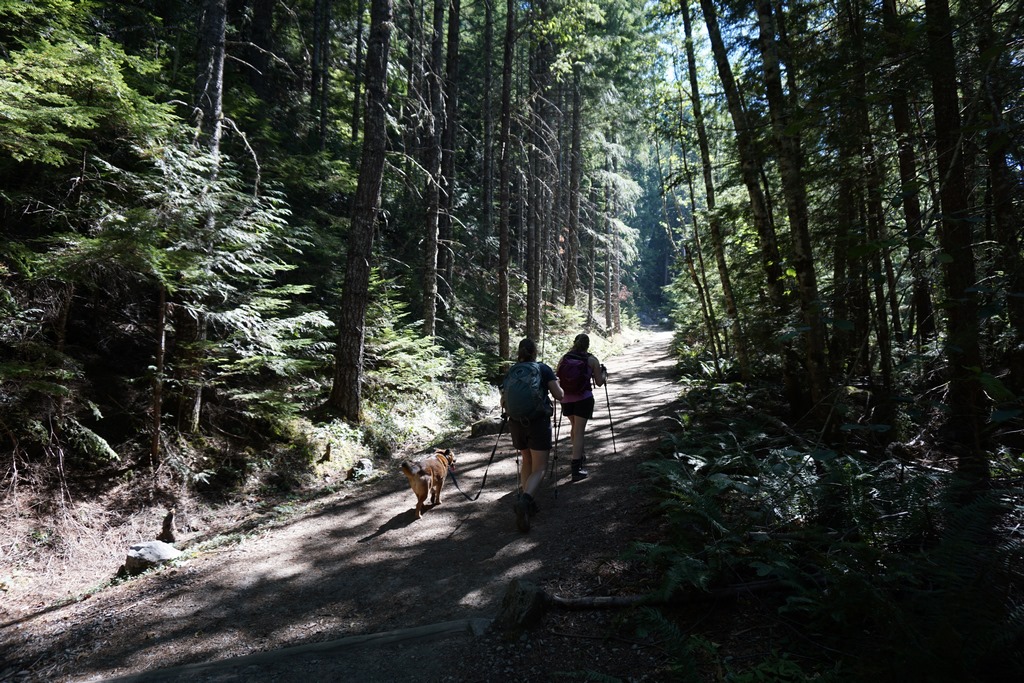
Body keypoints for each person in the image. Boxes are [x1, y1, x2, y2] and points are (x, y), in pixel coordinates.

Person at [501, 338, 563, 532]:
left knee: (526, 460)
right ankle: (526, 501)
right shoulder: (542, 369)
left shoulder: (512, 371)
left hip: (516, 423)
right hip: (537, 422)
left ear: (519, 352)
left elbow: (503, 402)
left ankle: (527, 499)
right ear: (535, 352)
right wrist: (556, 384)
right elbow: (559, 395)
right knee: (540, 467)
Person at [556, 333, 607, 481]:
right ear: (587, 345)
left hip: (566, 398)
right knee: (579, 431)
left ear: (574, 343)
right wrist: (604, 374)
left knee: (574, 427)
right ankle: (576, 468)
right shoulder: (592, 360)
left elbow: (557, 377)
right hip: (583, 399)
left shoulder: (564, 358)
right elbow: (599, 382)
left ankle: (579, 455)